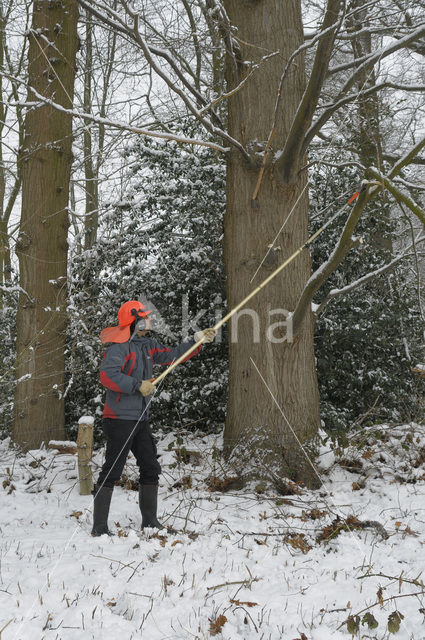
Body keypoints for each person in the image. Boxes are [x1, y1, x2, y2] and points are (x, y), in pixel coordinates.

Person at [91, 300, 216, 536]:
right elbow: (108, 376)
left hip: (140, 419)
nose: (150, 322)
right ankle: (99, 527)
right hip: (119, 419)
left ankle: (149, 522)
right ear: (134, 322)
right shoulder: (118, 347)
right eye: (145, 318)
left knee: (150, 467)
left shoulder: (147, 346)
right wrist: (137, 386)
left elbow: (172, 355)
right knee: (112, 470)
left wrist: (196, 340)